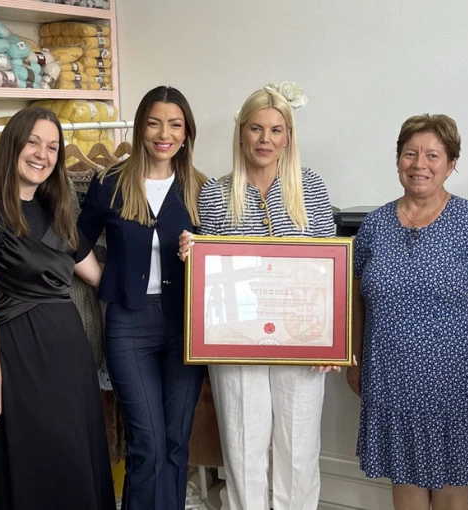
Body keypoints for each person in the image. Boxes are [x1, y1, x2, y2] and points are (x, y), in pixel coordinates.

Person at [179, 87, 337, 510]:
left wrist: (331, 340)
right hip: (236, 341)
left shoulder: (311, 187)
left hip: (302, 339)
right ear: (241, 133)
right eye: (255, 128)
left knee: (298, 449)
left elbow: (330, 266)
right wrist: (191, 253)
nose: (265, 139)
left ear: (288, 137)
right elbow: (208, 276)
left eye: (275, 130)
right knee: (243, 449)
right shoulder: (215, 192)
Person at [346, 114, 468, 510]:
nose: (419, 164)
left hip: (459, 379)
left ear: (451, 164)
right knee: (404, 478)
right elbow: (356, 299)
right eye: (410, 154)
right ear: (398, 160)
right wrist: (353, 359)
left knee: (452, 483)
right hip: (391, 377)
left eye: (433, 155)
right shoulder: (374, 226)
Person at [0, 107, 114, 510]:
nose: (43, 154)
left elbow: (98, 276)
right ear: (13, 145)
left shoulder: (56, 208)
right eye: (33, 143)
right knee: (41, 464)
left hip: (70, 358)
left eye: (53, 147)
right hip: (21, 357)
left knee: (76, 459)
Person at [78, 85, 208, 510]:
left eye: (174, 124)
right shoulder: (110, 183)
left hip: (186, 328)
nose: (163, 134)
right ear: (140, 128)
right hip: (128, 326)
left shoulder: (203, 190)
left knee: (175, 441)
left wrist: (200, 252)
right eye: (154, 123)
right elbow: (74, 242)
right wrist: (106, 281)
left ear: (186, 133)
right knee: (147, 442)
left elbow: (223, 261)